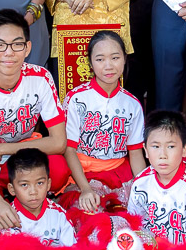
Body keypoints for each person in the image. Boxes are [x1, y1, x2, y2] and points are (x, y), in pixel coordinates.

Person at [0, 10, 67, 233]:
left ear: (27, 48)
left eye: (17, 44)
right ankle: (11, 199)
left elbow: (59, 142)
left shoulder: (41, 78)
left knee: (58, 170)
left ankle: (35, 206)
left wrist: (6, 148)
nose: (9, 53)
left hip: (25, 153)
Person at [62, 30, 147, 209]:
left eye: (115, 58)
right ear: (91, 63)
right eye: (100, 59)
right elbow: (69, 150)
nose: (108, 66)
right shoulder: (76, 99)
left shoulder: (132, 104)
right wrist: (85, 188)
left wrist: (143, 188)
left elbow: (136, 153)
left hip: (118, 174)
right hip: (84, 174)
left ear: (124, 58)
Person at [126, 110, 186, 245]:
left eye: (171, 146)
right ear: (145, 150)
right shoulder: (140, 183)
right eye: (155, 146)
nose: (163, 155)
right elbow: (134, 229)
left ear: (185, 149)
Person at [0, 147, 77, 246]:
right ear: (12, 189)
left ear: (48, 184)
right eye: (24, 185)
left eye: (40, 183)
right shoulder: (9, 219)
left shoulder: (59, 215)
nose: (33, 192)